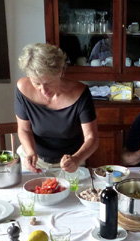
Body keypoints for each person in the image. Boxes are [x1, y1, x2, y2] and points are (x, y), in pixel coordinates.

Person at [15, 43, 99, 173]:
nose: (43, 90)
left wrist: (76, 159)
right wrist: (30, 152)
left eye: (48, 83)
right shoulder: (23, 89)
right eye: (37, 83)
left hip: (71, 160)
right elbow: (24, 130)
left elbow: (92, 138)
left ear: (60, 72)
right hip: (35, 158)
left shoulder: (80, 93)